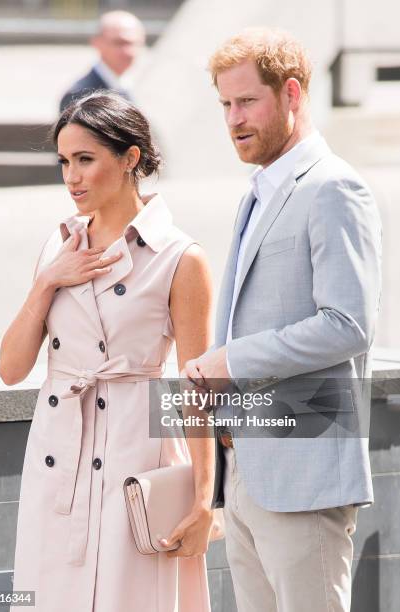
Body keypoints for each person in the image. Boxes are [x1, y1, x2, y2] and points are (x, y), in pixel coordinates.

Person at [184, 27, 382, 612]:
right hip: (245, 471)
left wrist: (231, 361)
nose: (233, 118)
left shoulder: (334, 187)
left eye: (247, 101)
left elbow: (348, 323)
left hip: (304, 478)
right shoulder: (260, 191)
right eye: (224, 104)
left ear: (292, 94)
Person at [0, 92, 214, 612]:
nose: (71, 177)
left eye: (85, 160)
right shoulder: (58, 247)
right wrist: (47, 283)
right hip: (59, 459)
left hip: (134, 455)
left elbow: (196, 389)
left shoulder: (180, 257)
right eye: (64, 162)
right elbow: (10, 369)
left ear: (131, 158)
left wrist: (207, 498)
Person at [59, 11, 145, 112]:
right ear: (97, 43)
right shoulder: (81, 96)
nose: (127, 51)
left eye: (133, 44)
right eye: (119, 43)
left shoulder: (126, 87)